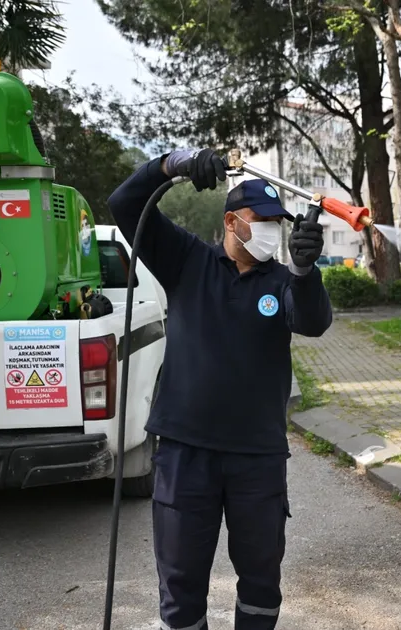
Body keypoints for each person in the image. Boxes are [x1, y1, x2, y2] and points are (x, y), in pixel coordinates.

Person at [108, 148, 333, 630]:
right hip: (185, 454)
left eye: (280, 222)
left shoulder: (283, 280)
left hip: (258, 457)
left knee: (260, 580)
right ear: (232, 221)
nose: (274, 230)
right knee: (181, 582)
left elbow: (313, 323)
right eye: (263, 220)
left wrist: (306, 271)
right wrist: (173, 164)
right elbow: (124, 205)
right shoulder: (188, 261)